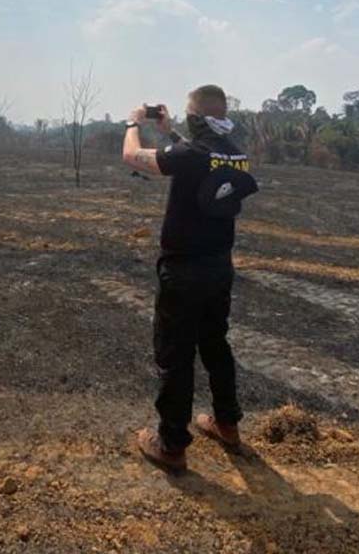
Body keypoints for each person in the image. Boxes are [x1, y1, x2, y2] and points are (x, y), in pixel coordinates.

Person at [122, 84, 257, 473]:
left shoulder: (193, 155)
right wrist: (171, 134)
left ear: (196, 118)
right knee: (215, 343)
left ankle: (171, 445)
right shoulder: (234, 152)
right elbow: (202, 156)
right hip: (219, 267)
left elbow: (131, 156)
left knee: (175, 355)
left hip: (183, 270)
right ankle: (227, 424)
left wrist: (134, 122)